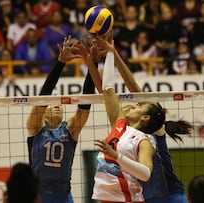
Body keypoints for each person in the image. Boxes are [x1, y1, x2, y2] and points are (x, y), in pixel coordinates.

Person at [110, 36, 194, 203]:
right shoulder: (125, 131)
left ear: (146, 116)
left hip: (171, 194)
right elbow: (107, 95)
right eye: (132, 106)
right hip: (145, 195)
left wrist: (114, 56)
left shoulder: (154, 126)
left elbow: (134, 88)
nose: (134, 106)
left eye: (137, 106)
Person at [89, 32, 162, 203]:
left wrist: (117, 157)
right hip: (105, 199)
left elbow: (145, 174)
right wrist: (109, 53)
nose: (136, 104)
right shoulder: (120, 124)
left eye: (141, 106)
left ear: (145, 118)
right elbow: (108, 89)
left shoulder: (145, 140)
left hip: (127, 200)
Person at [26, 36, 96, 203]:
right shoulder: (34, 128)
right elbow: (43, 97)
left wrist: (92, 65)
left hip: (64, 196)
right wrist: (60, 63)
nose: (57, 105)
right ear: (44, 111)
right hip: (37, 196)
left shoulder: (71, 129)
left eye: (60, 103)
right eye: (52, 103)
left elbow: (84, 105)